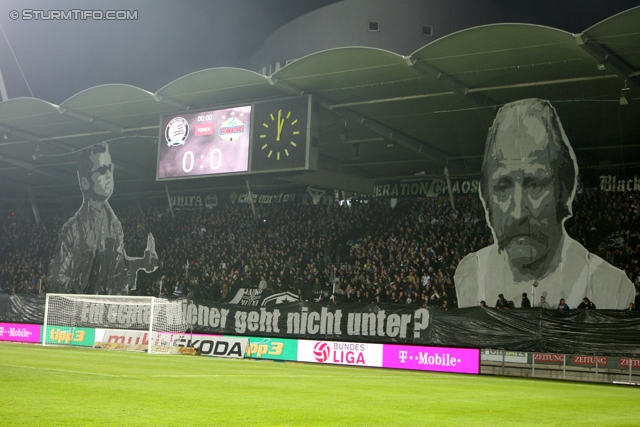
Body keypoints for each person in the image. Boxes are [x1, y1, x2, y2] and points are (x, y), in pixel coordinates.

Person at [454, 98, 635, 309]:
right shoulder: (471, 273)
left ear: (564, 190)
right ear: (486, 196)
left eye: (534, 184)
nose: (518, 212)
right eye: (503, 187)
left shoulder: (611, 286)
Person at [47, 142, 160, 295]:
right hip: (80, 305)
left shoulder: (114, 225)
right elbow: (56, 274)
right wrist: (76, 287)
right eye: (102, 169)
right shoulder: (73, 228)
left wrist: (143, 263)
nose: (108, 174)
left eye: (110, 168)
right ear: (85, 183)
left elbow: (120, 264)